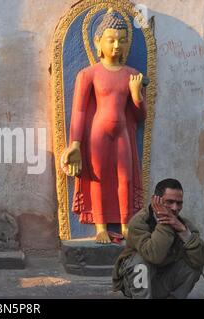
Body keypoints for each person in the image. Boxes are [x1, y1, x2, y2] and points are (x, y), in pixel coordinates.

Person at [61, 8, 146, 243]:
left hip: (122, 134)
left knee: (125, 177)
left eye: (121, 40)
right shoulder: (88, 74)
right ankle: (100, 226)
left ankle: (125, 224)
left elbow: (140, 116)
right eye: (111, 40)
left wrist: (136, 94)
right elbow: (78, 111)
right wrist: (75, 145)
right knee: (96, 177)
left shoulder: (132, 75)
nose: (116, 46)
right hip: (97, 134)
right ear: (98, 42)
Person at [112, 178, 204, 299]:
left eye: (179, 203)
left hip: (161, 282)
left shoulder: (183, 224)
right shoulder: (139, 222)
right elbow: (154, 256)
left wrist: (184, 232)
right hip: (135, 286)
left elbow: (203, 259)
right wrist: (166, 223)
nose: (175, 208)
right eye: (169, 202)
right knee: (140, 261)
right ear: (155, 200)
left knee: (195, 262)